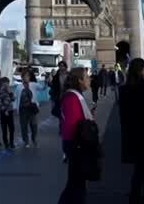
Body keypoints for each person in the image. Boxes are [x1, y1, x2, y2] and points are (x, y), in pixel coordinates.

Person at [58, 67, 96, 204]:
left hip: (74, 144)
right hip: (76, 144)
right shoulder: (72, 97)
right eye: (86, 77)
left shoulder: (73, 96)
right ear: (79, 80)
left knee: (75, 183)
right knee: (76, 185)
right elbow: (73, 125)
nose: (89, 79)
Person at [119, 58, 144, 203]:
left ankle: (134, 199)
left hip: (132, 136)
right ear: (142, 70)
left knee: (139, 171)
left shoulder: (123, 89)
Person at [18, 71, 40, 147]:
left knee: (34, 125)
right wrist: (15, 108)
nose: (26, 78)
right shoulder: (19, 87)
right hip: (23, 109)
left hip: (32, 108)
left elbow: (42, 88)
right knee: (23, 126)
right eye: (25, 76)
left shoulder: (33, 85)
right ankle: (26, 141)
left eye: (28, 76)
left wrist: (48, 82)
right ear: (22, 78)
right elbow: (16, 98)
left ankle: (34, 138)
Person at [0, 77, 17, 149]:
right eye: (5, 83)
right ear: (2, 84)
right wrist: (4, 110)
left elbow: (13, 99)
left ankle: (11, 142)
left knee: (12, 128)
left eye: (7, 83)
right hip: (3, 112)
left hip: (10, 111)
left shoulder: (10, 91)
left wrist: (9, 92)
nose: (6, 85)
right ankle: (6, 142)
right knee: (4, 128)